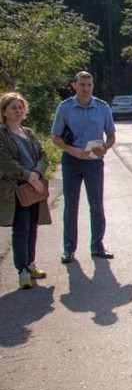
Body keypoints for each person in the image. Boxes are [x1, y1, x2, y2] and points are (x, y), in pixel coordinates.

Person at [51, 71, 116, 264]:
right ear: (75, 86)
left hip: (94, 163)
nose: (86, 88)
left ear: (93, 86)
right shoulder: (65, 108)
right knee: (71, 206)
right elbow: (55, 138)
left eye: (89, 84)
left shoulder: (102, 108)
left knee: (96, 205)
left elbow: (111, 136)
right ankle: (69, 249)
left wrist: (106, 147)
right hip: (72, 162)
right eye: (82, 85)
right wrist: (72, 151)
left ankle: (97, 246)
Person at [0, 92, 51, 289]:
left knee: (32, 227)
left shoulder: (28, 132)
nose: (18, 110)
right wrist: (29, 176)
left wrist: (36, 174)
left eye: (21, 107)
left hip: (34, 188)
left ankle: (31, 265)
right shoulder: (2, 133)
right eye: (13, 107)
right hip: (16, 189)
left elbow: (43, 156)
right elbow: (5, 161)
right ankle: (22, 271)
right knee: (21, 229)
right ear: (4, 111)